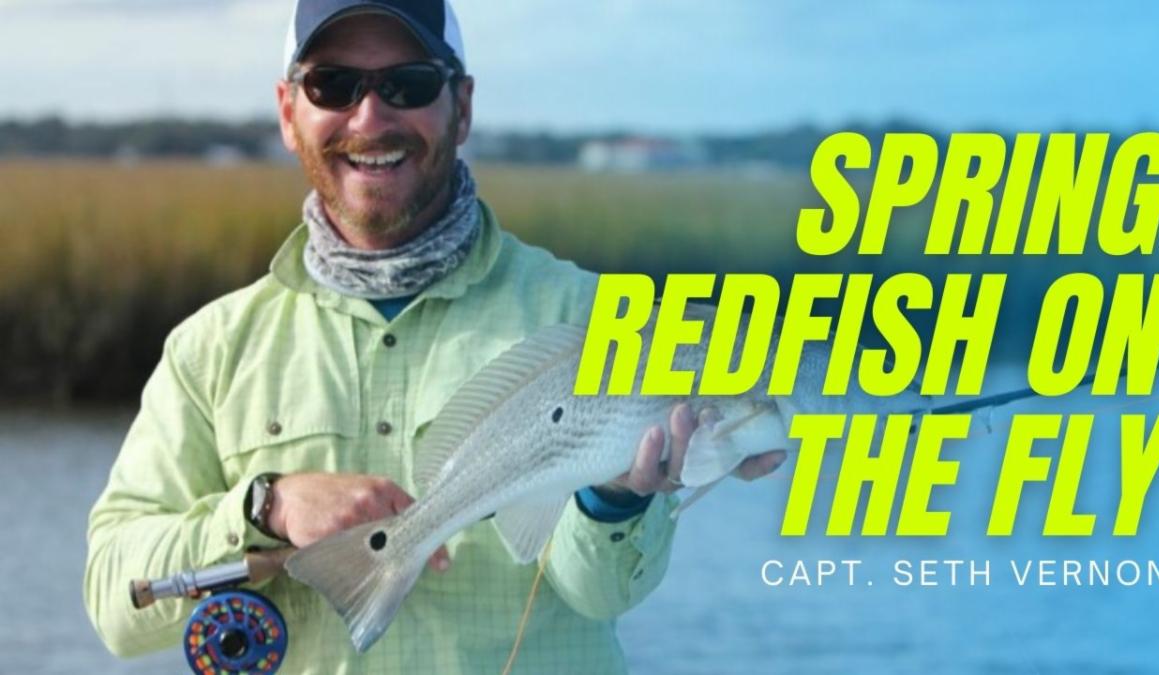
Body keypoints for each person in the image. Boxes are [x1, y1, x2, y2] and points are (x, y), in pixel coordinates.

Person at [83, 1, 783, 672]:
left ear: (464, 107)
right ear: (288, 113)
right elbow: (115, 603)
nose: (371, 116)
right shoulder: (211, 349)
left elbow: (602, 593)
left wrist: (620, 496)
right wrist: (268, 505)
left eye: (408, 83)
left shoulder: (602, 318)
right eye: (333, 84)